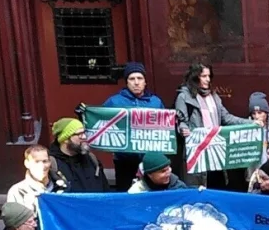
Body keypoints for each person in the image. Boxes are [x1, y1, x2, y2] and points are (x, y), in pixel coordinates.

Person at [174, 62, 251, 190]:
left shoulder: (213, 96)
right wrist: (183, 129)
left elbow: (226, 118)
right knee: (200, 188)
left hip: (216, 150)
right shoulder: (184, 96)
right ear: (195, 77)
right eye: (204, 76)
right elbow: (181, 120)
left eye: (209, 76)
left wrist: (250, 123)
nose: (208, 80)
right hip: (198, 152)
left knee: (218, 185)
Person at [105, 61, 166, 191]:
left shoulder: (155, 102)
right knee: (125, 193)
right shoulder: (114, 101)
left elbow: (165, 127)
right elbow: (100, 121)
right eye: (132, 79)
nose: (136, 82)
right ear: (127, 82)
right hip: (124, 159)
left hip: (150, 159)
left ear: (145, 82)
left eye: (140, 78)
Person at [49, 118, 108, 194]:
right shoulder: (51, 163)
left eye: (84, 133)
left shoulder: (91, 159)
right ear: (65, 139)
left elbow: (106, 190)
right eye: (79, 134)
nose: (84, 137)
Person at [5, 144, 69, 213]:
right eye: (36, 161)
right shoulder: (17, 191)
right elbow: (14, 221)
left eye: (45, 161)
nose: (42, 166)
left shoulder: (63, 186)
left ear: (50, 162)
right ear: (27, 164)